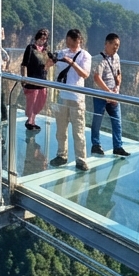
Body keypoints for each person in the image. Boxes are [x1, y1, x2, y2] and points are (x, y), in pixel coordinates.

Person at [50, 29, 91, 171]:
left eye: (74, 41)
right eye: (69, 40)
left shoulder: (85, 55)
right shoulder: (62, 52)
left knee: (78, 131)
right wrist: (51, 58)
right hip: (62, 96)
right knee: (61, 129)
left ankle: (81, 159)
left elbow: (85, 74)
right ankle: (62, 155)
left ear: (79, 41)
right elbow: (48, 64)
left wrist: (71, 62)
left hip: (77, 98)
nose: (71, 43)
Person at [90, 33, 130, 159]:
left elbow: (118, 74)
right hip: (100, 94)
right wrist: (108, 92)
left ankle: (118, 146)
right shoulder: (98, 59)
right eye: (114, 45)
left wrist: (117, 89)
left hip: (113, 94)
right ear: (107, 44)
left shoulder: (117, 57)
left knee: (117, 121)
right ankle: (96, 145)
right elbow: (96, 77)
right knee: (97, 120)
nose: (116, 48)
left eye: (118, 46)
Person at [21, 29, 49, 131]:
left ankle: (32, 120)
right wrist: (24, 78)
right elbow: (24, 64)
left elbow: (47, 65)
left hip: (42, 80)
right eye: (41, 37)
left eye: (45, 38)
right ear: (37, 37)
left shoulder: (46, 50)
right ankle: (30, 121)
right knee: (32, 102)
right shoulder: (30, 48)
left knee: (40, 102)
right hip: (32, 80)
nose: (43, 40)